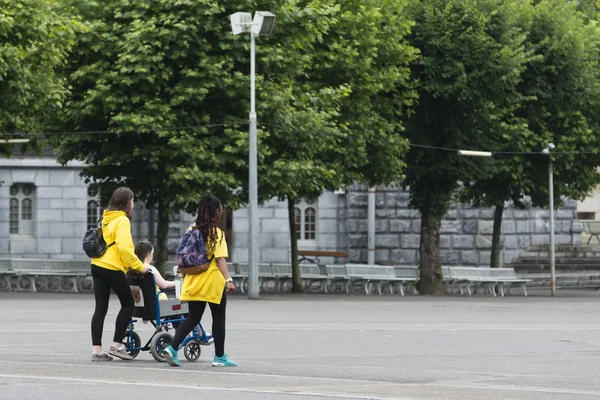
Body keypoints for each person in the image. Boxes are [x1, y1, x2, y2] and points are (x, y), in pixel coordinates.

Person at [162, 194, 236, 367]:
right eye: (221, 210)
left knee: (193, 317)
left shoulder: (192, 229)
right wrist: (229, 280)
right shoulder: (216, 233)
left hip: (193, 280)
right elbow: (220, 260)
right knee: (218, 318)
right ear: (217, 211)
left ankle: (172, 349)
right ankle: (219, 357)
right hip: (212, 283)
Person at [90, 187, 149, 362]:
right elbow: (124, 249)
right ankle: (116, 345)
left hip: (97, 264)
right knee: (128, 303)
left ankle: (97, 351)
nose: (133, 203)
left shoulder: (105, 218)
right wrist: (140, 267)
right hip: (112, 267)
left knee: (100, 308)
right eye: (132, 200)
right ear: (126, 202)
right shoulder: (122, 220)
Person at [133, 240, 214, 346]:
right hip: (157, 304)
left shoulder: (133, 268)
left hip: (139, 306)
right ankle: (197, 333)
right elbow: (164, 285)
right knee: (185, 306)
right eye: (152, 253)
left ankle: (181, 331)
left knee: (175, 309)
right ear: (148, 253)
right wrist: (178, 283)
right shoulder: (149, 269)